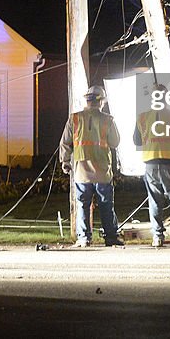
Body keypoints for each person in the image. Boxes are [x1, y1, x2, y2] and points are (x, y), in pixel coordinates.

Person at [59, 85, 124, 247]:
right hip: (102, 171)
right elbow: (115, 143)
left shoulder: (74, 118)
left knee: (82, 205)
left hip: (81, 171)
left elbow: (65, 143)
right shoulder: (107, 120)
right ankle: (110, 237)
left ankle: (84, 238)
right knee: (106, 205)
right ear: (101, 102)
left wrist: (65, 162)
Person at [133, 83, 170, 248]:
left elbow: (136, 140)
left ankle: (158, 237)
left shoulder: (142, 117)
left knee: (155, 201)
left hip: (151, 162)